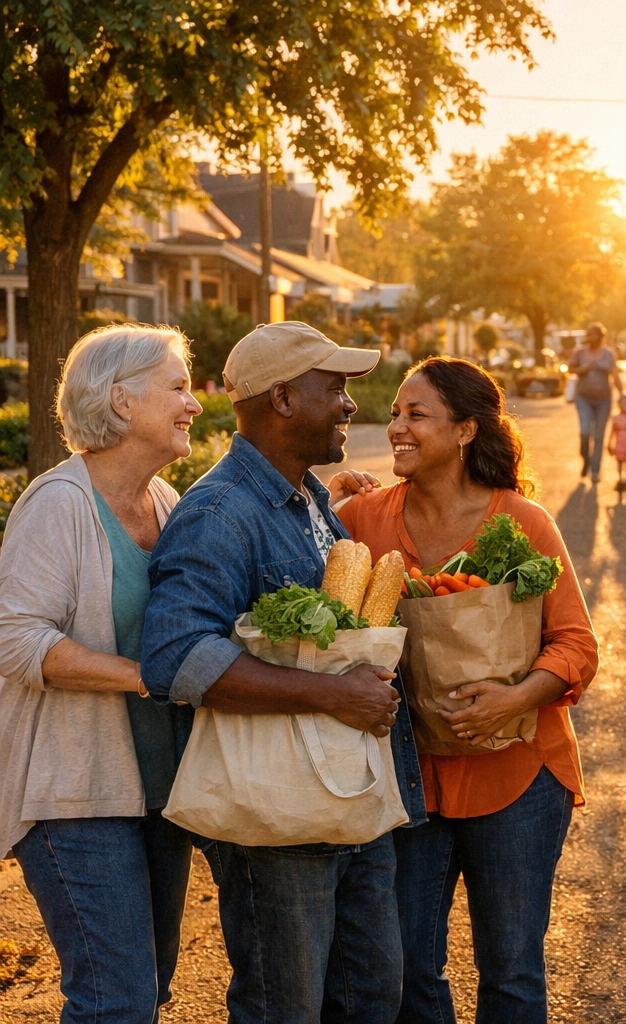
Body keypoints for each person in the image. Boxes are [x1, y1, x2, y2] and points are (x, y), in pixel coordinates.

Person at [140, 322, 426, 1024]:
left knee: (369, 998)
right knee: (284, 1008)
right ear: (284, 401)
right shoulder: (218, 513)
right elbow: (173, 655)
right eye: (334, 390)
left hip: (346, 803)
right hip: (276, 823)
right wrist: (334, 694)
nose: (351, 406)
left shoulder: (308, 501)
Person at [333, 356, 598, 1024]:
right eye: (394, 412)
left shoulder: (524, 521)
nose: (396, 426)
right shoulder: (363, 518)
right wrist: (328, 503)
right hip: (407, 780)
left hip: (517, 777)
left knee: (510, 970)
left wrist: (516, 697)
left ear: (465, 431)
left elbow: (576, 644)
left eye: (415, 414)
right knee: (408, 969)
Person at [0, 324, 202, 1023]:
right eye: (177, 387)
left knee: (151, 990)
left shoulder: (169, 504)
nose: (194, 404)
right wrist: (145, 676)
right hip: (74, 795)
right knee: (116, 1001)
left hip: (156, 792)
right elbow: (16, 640)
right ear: (121, 401)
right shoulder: (58, 504)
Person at [571, 322, 622, 484]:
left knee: (599, 436)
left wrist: (622, 394)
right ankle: (585, 457)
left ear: (600, 336)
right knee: (585, 433)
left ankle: (595, 471)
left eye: (594, 335)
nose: (591, 338)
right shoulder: (580, 352)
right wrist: (582, 369)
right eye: (589, 334)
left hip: (603, 400)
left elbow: (614, 373)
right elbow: (570, 369)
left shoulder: (608, 353)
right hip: (584, 398)